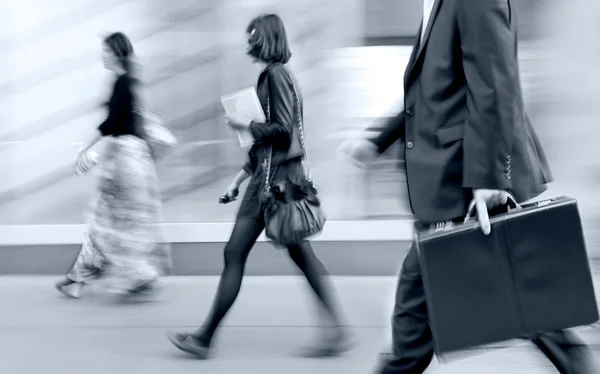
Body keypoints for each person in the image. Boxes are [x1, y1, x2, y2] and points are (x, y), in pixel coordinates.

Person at [339, 0, 595, 373]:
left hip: (461, 181)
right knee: (527, 308)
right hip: (451, 181)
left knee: (417, 322)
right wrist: (377, 139)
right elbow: (432, 93)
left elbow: (495, 85)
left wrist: (488, 178)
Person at [166, 13, 351, 359]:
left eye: (252, 35)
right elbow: (268, 144)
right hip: (270, 182)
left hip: (276, 185)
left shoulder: (276, 75)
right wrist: (237, 181)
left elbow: (281, 129)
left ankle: (204, 339)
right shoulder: (275, 76)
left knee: (255, 254)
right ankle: (337, 332)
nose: (248, 41)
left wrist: (245, 123)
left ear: (266, 37)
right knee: (267, 255)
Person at [54, 32, 172, 301]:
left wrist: (86, 146)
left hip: (124, 161)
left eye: (105, 50)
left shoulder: (123, 83)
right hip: (128, 159)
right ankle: (78, 278)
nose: (101, 54)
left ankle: (138, 275)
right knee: (106, 220)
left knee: (108, 221)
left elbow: (112, 123)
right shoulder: (127, 82)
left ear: (117, 53)